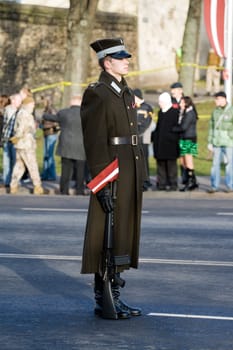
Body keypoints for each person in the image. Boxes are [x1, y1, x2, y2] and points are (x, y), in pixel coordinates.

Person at [80, 37, 147, 320]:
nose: (127, 61)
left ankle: (115, 295)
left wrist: (141, 171)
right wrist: (101, 182)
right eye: (122, 58)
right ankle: (104, 297)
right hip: (112, 172)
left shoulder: (123, 91)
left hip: (129, 170)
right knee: (105, 238)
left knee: (122, 235)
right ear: (107, 62)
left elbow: (133, 136)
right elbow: (95, 141)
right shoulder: (99, 93)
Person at [43, 95, 87, 195]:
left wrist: (44, 115)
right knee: (80, 170)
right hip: (80, 146)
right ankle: (80, 190)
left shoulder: (64, 113)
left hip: (66, 145)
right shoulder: (86, 114)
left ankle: (64, 190)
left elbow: (53, 118)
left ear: (71, 103)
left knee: (66, 170)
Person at [9, 96, 47, 195]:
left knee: (19, 166)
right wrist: (18, 136)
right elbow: (21, 128)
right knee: (32, 165)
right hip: (26, 143)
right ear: (28, 104)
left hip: (20, 144)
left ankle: (13, 185)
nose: (33, 106)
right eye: (32, 104)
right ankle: (37, 186)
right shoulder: (26, 114)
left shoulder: (21, 112)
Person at [152, 92, 180, 191]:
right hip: (160, 144)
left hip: (170, 144)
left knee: (171, 165)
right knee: (161, 165)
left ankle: (173, 183)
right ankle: (162, 183)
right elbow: (159, 127)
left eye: (161, 102)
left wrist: (172, 137)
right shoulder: (161, 112)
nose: (159, 103)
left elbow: (176, 128)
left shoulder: (174, 112)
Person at [207, 91, 233, 193]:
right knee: (215, 164)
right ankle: (214, 186)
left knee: (229, 164)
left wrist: (230, 136)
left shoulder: (231, 111)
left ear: (223, 99)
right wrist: (210, 141)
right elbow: (211, 127)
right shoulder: (215, 111)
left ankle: (230, 185)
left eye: (217, 99)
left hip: (228, 142)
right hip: (216, 141)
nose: (215, 101)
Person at [172, 96, 199, 191]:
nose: (180, 104)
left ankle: (191, 181)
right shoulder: (183, 113)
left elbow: (183, 127)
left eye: (182, 103)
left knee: (188, 160)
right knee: (183, 161)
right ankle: (189, 180)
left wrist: (172, 129)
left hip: (189, 138)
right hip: (183, 138)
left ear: (187, 103)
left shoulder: (190, 113)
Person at [133, 88, 155, 190]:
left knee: (144, 160)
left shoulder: (147, 107)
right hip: (134, 138)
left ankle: (146, 181)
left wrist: (138, 132)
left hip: (143, 138)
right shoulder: (132, 107)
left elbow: (147, 122)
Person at [1, 94, 22, 189]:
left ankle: (15, 181)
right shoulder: (6, 110)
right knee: (6, 161)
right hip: (6, 138)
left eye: (17, 100)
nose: (15, 102)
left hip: (16, 139)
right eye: (14, 100)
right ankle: (6, 180)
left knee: (16, 161)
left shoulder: (21, 111)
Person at [40, 96, 59, 181]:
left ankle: (52, 174)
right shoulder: (45, 110)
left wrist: (44, 126)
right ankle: (45, 173)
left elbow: (56, 122)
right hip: (46, 134)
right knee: (45, 155)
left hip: (51, 134)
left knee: (50, 155)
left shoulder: (52, 110)